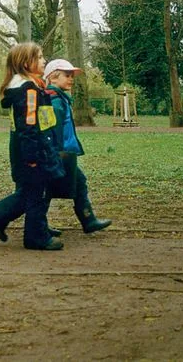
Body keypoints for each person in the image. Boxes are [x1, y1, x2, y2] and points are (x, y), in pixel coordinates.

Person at [0, 42, 65, 251]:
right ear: (26, 63)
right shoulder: (27, 91)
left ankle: (9, 219)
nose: (43, 61)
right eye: (39, 57)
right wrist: (32, 156)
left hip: (33, 147)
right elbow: (28, 125)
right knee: (36, 192)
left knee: (32, 190)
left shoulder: (32, 86)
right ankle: (33, 235)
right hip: (31, 149)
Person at [44, 59, 112, 234]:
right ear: (52, 77)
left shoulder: (61, 98)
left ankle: (88, 219)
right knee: (47, 189)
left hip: (63, 153)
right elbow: (54, 130)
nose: (71, 79)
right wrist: (56, 154)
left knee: (76, 182)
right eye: (67, 75)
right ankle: (6, 216)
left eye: (72, 76)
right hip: (60, 153)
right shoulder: (56, 101)